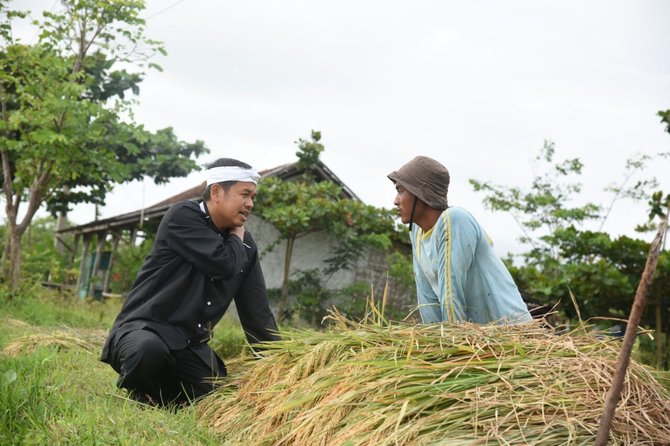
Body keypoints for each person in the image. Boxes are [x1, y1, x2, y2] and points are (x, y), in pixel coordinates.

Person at [101, 158, 280, 407]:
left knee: (215, 390)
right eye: (244, 194)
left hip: (187, 345)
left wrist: (282, 364)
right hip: (145, 330)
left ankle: (164, 399)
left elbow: (257, 313)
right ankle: (143, 395)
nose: (250, 204)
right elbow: (222, 263)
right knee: (147, 352)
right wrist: (238, 237)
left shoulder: (245, 246)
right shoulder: (183, 216)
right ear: (216, 192)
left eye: (253, 197)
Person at [388, 156, 532, 325]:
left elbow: (451, 291)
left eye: (400, 191)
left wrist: (452, 343)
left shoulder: (455, 220)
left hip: (510, 333)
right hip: (478, 340)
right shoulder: (417, 232)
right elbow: (426, 297)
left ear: (421, 193)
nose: (395, 201)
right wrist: (432, 341)